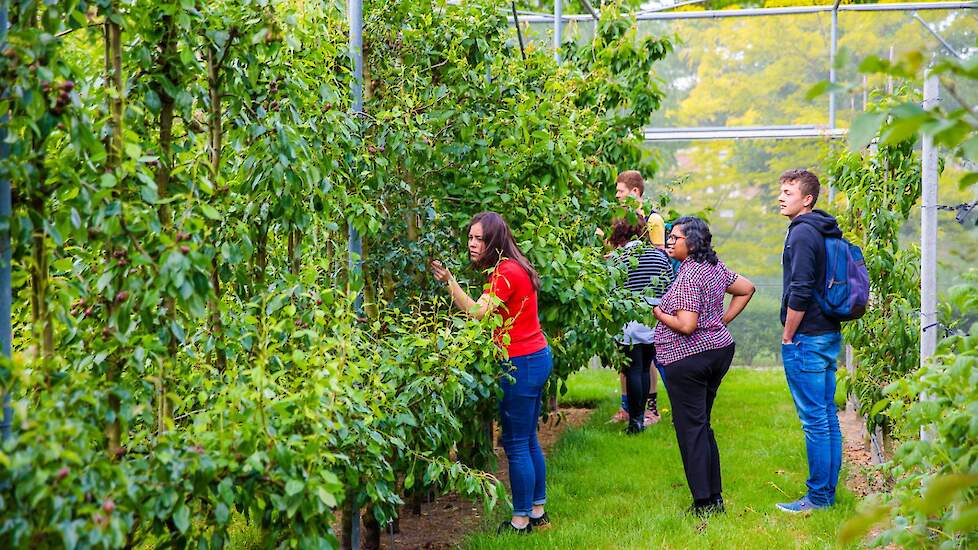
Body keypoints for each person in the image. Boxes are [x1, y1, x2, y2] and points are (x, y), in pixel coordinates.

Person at [430, 211, 551, 535]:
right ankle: (537, 510)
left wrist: (450, 282)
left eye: (478, 239)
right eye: (470, 237)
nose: (472, 244)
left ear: (493, 241)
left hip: (521, 363)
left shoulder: (506, 273)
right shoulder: (513, 266)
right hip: (535, 357)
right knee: (527, 439)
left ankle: (521, 520)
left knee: (514, 442)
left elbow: (477, 313)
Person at [652, 217, 755, 516]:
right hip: (718, 351)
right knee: (702, 425)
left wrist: (659, 312)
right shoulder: (714, 266)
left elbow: (686, 325)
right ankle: (714, 497)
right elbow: (746, 288)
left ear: (692, 242)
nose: (670, 242)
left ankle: (703, 503)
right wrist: (721, 322)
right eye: (669, 237)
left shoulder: (688, 275)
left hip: (688, 360)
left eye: (676, 237)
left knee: (691, 429)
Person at [775, 169, 844, 514]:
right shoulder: (822, 228)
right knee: (827, 415)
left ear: (807, 199)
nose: (781, 197)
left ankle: (817, 499)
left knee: (815, 419)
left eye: (788, 191)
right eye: (781, 191)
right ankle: (826, 494)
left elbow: (800, 289)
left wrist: (789, 335)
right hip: (828, 331)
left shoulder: (802, 233)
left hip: (808, 336)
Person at [609, 170, 668, 424]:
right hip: (653, 315)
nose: (617, 196)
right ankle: (639, 414)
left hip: (629, 318)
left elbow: (612, 285)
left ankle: (637, 419)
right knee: (643, 367)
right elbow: (667, 281)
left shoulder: (622, 257)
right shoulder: (658, 257)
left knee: (633, 368)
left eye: (620, 191)